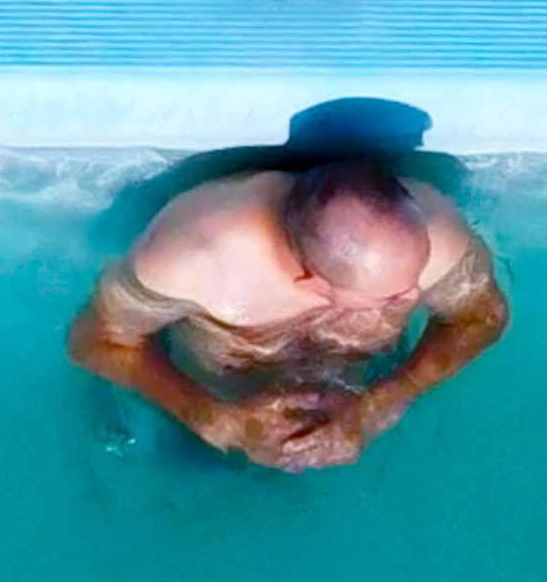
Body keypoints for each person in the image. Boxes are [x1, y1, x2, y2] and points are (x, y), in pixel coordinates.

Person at [66, 156, 508, 472]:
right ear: (312, 285)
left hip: (358, 402)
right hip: (207, 407)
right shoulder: (192, 256)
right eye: (392, 298)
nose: (415, 292)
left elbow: (482, 317)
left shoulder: (432, 235)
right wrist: (209, 417)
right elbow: (91, 339)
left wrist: (384, 400)